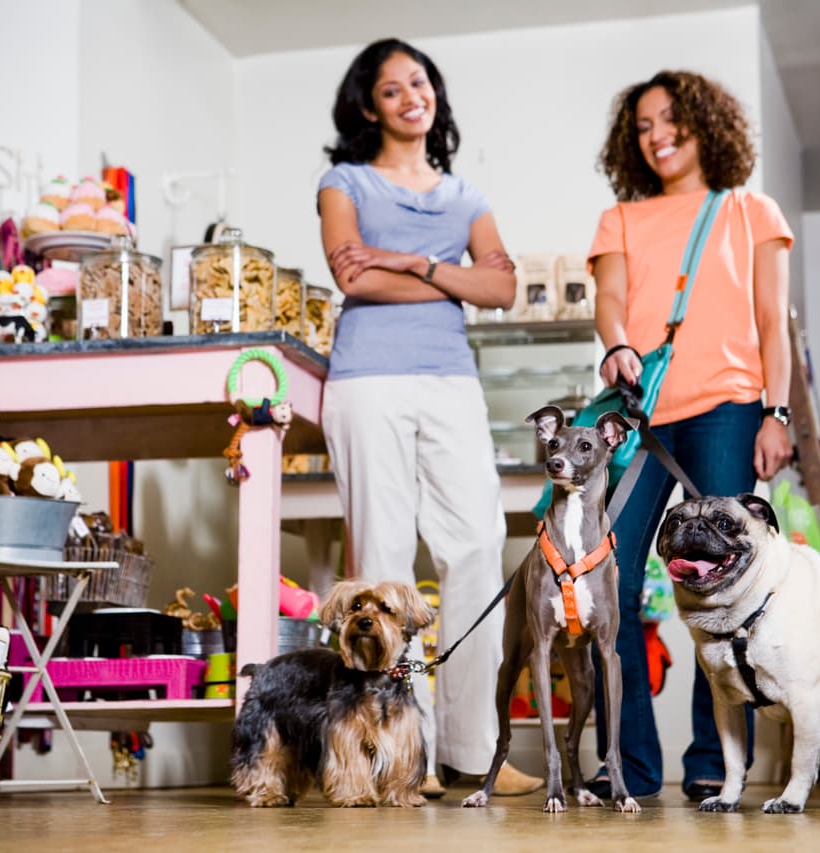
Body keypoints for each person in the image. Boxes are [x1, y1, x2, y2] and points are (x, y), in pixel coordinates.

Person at [316, 38, 541, 798]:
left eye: (420, 81)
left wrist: (407, 263)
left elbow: (502, 288)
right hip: (367, 377)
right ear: (367, 106)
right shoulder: (342, 181)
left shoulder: (466, 197)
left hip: (449, 380)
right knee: (381, 562)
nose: (411, 95)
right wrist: (453, 279)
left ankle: (472, 753)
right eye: (390, 88)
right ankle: (392, 753)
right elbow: (350, 272)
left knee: (477, 546)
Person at [586, 69, 795, 801]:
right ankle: (629, 764)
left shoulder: (749, 210)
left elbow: (775, 322)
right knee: (606, 575)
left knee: (727, 584)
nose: (657, 135)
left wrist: (780, 411)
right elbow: (610, 300)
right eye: (642, 125)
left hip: (730, 406)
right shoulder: (620, 220)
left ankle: (715, 761)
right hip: (641, 413)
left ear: (704, 123)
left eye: (669, 119)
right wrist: (616, 344)